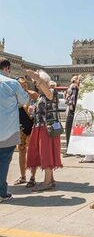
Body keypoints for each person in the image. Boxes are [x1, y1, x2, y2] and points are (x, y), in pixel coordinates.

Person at [25, 69, 62, 191]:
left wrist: (36, 77)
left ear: (44, 81)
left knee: (46, 153)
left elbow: (49, 95)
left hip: (47, 128)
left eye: (37, 81)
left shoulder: (51, 91)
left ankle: (47, 182)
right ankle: (50, 180)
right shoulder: (41, 95)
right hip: (41, 127)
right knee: (45, 153)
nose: (35, 84)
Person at [0, 59, 29, 202]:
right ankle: (1, 193)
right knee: (4, 161)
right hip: (7, 130)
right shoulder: (12, 83)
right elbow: (24, 101)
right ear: (7, 68)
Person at [13, 76, 38, 187]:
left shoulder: (32, 95)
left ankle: (32, 177)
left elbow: (37, 104)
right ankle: (23, 177)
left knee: (33, 152)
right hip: (21, 128)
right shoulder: (14, 97)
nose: (23, 87)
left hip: (32, 127)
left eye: (24, 85)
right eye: (20, 85)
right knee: (22, 152)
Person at [64, 75, 80, 152]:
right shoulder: (75, 88)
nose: (72, 83)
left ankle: (70, 148)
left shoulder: (73, 87)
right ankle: (72, 149)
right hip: (75, 111)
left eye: (74, 81)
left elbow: (69, 101)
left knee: (69, 129)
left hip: (72, 111)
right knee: (72, 130)